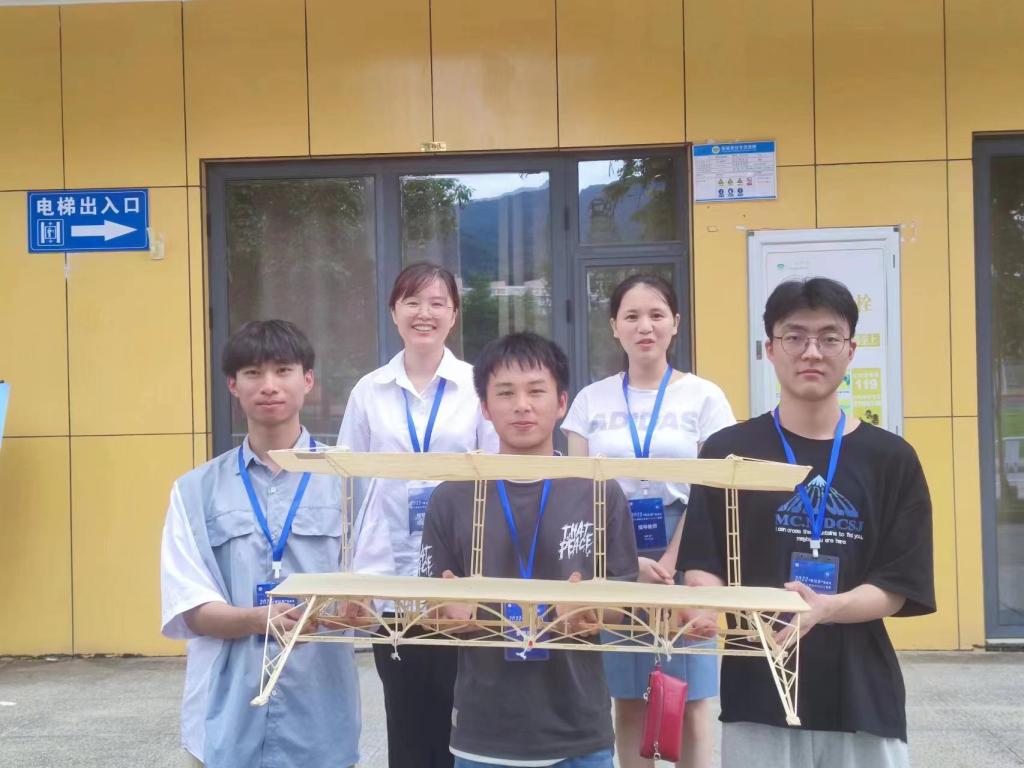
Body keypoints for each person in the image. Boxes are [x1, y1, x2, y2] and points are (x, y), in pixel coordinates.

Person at [679, 277, 935, 768]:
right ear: (770, 349)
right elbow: (703, 562)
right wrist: (702, 606)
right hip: (758, 696)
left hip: (863, 697)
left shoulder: (891, 459)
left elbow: (899, 584)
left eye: (828, 337)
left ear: (851, 350)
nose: (811, 352)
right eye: (794, 337)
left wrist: (827, 607)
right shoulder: (727, 452)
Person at [420, 331, 639, 768]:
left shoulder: (597, 491)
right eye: (505, 393)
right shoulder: (452, 495)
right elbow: (431, 605)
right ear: (485, 407)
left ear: (562, 403)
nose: (522, 405)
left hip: (579, 732)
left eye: (536, 391)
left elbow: (626, 600)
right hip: (483, 734)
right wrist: (446, 610)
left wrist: (593, 608)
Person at [160, 320, 360, 768]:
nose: (269, 385)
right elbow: (187, 604)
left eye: (283, 370)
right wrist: (255, 619)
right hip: (225, 720)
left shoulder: (351, 484)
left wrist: (350, 609)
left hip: (321, 716)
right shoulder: (195, 491)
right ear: (233, 384)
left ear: (308, 380)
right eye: (253, 372)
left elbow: (368, 595)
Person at [562, 274, 734, 768]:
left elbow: (714, 488)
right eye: (632, 316)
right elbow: (578, 490)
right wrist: (625, 560)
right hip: (613, 550)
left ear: (675, 323)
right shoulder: (591, 401)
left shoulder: (704, 397)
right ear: (614, 326)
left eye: (657, 315)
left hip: (690, 549)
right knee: (629, 697)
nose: (645, 326)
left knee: (691, 698)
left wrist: (675, 557)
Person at [338, 261, 497, 768]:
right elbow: (351, 485)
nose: (424, 313)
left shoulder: (477, 386)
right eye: (412, 302)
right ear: (394, 312)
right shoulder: (369, 390)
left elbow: (496, 477)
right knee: (405, 717)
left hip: (460, 576)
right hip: (389, 578)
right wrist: (353, 577)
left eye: (436, 303)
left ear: (454, 314)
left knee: (464, 716)